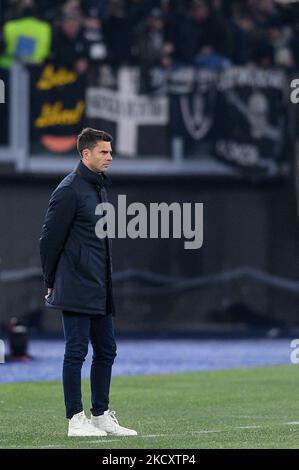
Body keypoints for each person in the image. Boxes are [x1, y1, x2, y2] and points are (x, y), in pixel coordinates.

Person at [39, 128, 137, 438]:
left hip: (99, 286)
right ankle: (75, 419)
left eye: (110, 151)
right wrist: (50, 280)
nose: (110, 157)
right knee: (76, 352)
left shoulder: (99, 188)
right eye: (104, 152)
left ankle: (100, 416)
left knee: (107, 350)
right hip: (75, 286)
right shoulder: (69, 189)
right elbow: (48, 240)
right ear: (86, 154)